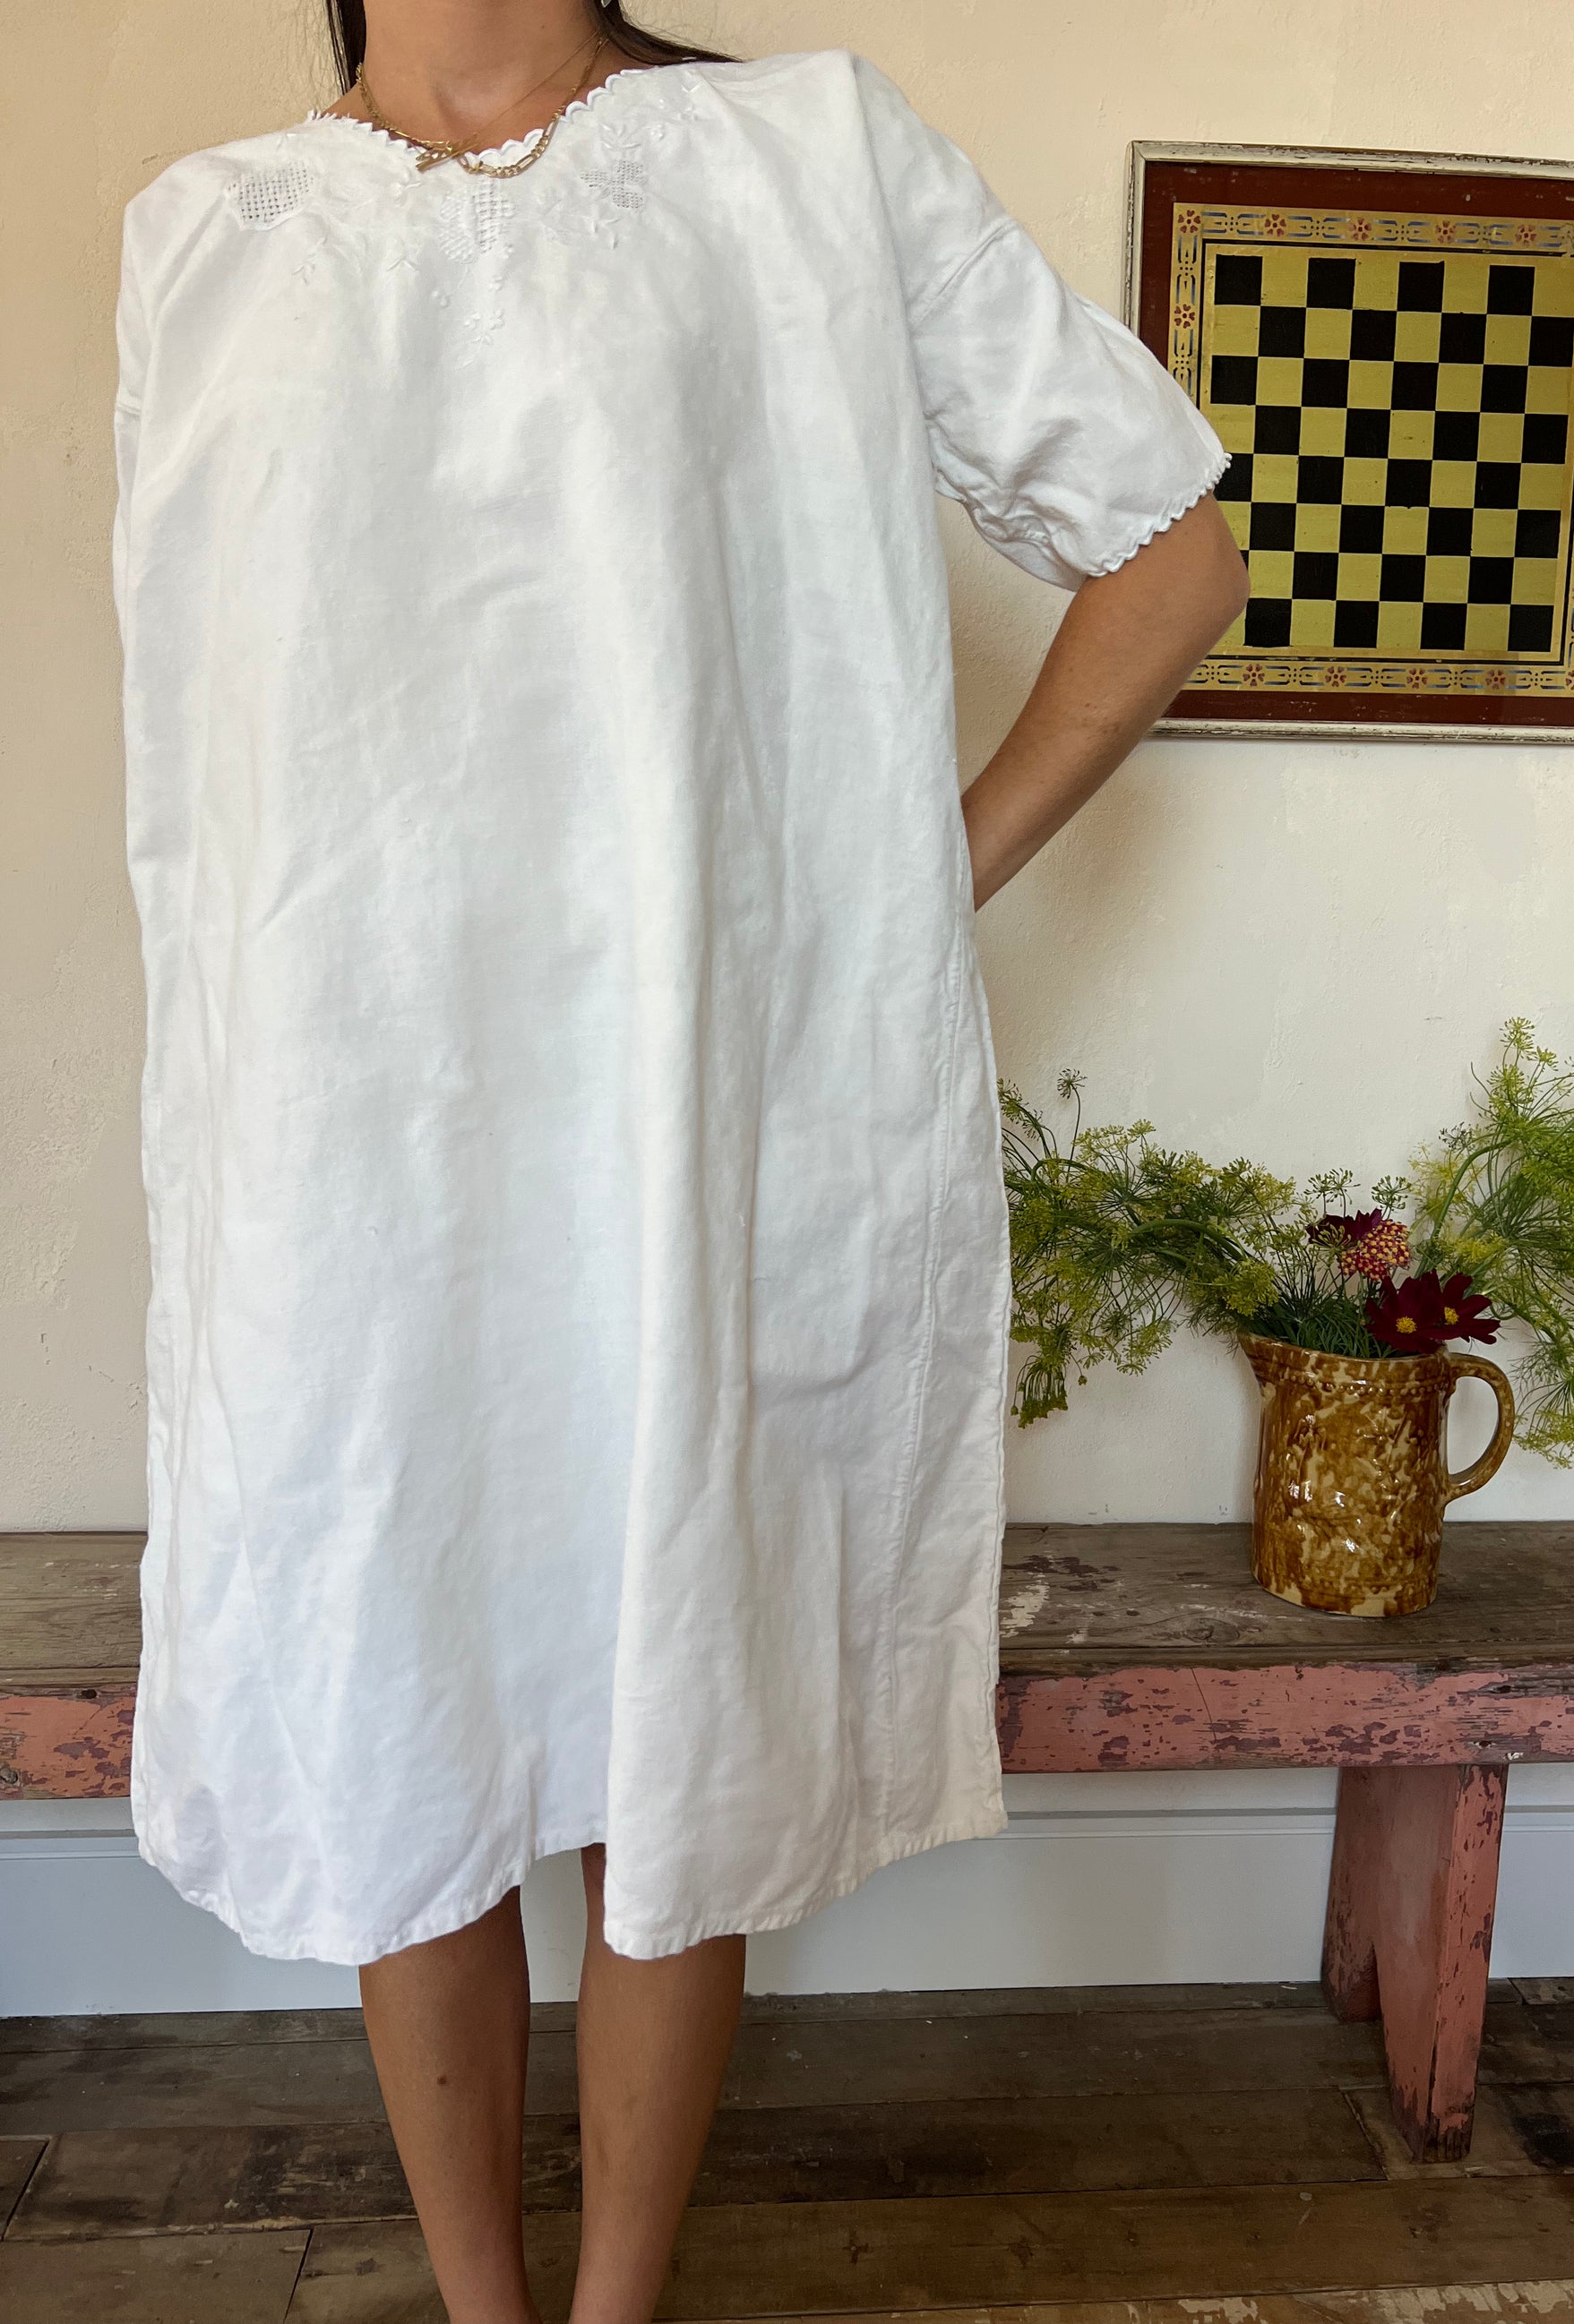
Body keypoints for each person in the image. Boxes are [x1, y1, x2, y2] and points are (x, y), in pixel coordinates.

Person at [109, 3, 1248, 2317]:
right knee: (393, 1688)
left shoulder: (802, 157)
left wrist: (913, 887)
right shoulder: (208, 236)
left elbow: (1167, 542)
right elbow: (227, 762)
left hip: (703, 1126)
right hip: (348, 1146)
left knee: (682, 1710)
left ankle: (616, 2303)